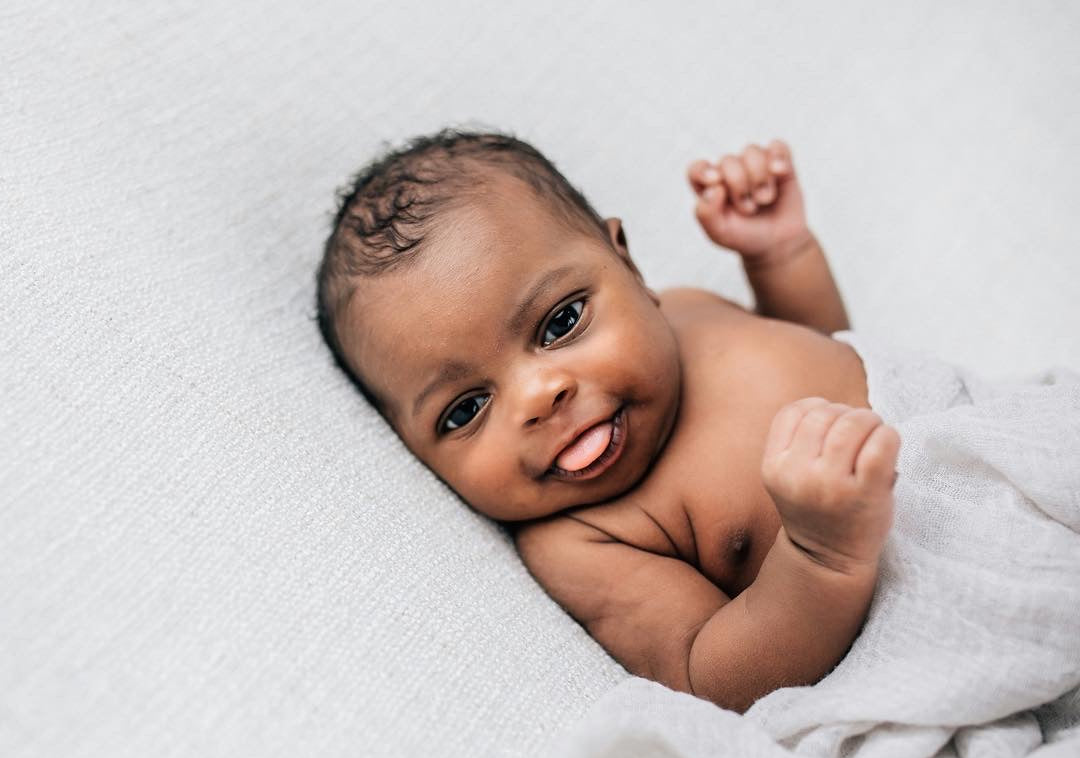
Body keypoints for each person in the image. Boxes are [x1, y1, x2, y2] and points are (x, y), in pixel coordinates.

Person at [314, 130, 900, 713]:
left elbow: (831, 350)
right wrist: (818, 554)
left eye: (560, 322)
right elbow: (710, 679)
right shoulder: (580, 540)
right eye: (465, 409)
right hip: (910, 598)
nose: (539, 397)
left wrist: (782, 257)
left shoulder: (688, 308)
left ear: (627, 264)